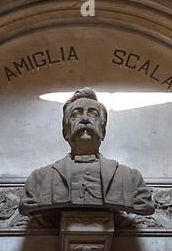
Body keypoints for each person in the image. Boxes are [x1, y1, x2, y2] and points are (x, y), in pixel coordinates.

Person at [18, 87, 154, 217]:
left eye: (93, 114)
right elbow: (28, 205)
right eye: (75, 115)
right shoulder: (40, 179)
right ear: (65, 132)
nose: (84, 119)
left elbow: (145, 205)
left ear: (103, 131)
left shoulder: (129, 178)